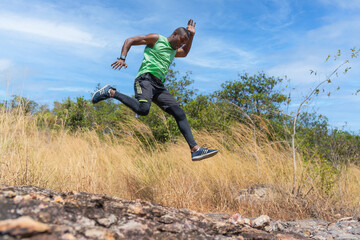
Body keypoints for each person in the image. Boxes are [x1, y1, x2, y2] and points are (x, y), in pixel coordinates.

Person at [92, 19, 217, 161]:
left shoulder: (174, 50)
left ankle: (195, 149)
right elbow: (130, 40)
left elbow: (185, 53)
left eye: (183, 43)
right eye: (181, 41)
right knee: (143, 109)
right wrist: (122, 58)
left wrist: (192, 36)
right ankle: (111, 92)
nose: (181, 45)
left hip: (159, 86)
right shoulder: (156, 39)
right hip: (145, 80)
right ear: (175, 34)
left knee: (179, 112)